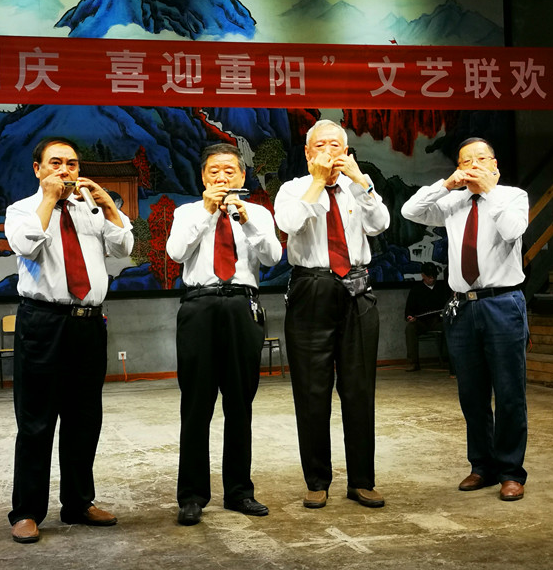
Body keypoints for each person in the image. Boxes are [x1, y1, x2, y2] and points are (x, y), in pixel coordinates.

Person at [4, 136, 134, 543]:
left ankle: (78, 502)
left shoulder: (90, 209)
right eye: (56, 163)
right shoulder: (22, 210)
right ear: (38, 169)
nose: (65, 170)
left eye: (72, 164)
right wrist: (48, 199)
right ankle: (27, 511)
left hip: (88, 323)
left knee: (84, 419)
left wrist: (108, 206)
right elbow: (25, 245)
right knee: (36, 421)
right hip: (43, 322)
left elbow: (124, 248)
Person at [401, 137, 529, 502]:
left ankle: (510, 471)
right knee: (471, 395)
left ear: (494, 165)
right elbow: (410, 210)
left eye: (480, 159)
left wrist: (489, 192)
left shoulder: (512, 196)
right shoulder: (453, 202)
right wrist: (446, 185)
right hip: (462, 306)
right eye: (465, 161)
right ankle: (481, 466)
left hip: (502, 302)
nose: (473, 165)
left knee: (509, 393)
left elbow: (513, 231)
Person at [274, 119, 390, 509]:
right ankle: (317, 480)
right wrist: (318, 182)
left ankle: (362, 480)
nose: (329, 152)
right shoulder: (293, 188)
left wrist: (361, 181)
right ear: (308, 153)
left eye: (336, 146)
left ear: (347, 151)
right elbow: (289, 224)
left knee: (359, 388)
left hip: (357, 288)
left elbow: (381, 224)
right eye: (321, 145)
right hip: (312, 287)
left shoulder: (358, 185)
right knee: (312, 390)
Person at [166, 143, 282, 526]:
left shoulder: (258, 213)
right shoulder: (187, 212)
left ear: (242, 175)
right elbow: (176, 252)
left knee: (239, 404)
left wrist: (245, 219)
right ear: (203, 177)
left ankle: (239, 491)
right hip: (198, 306)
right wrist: (207, 212)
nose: (221, 177)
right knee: (195, 406)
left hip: (241, 306)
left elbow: (272, 257)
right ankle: (191, 495)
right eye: (214, 171)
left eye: (229, 170)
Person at [404, 261, 452, 372]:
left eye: (434, 276)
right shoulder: (416, 290)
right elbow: (408, 310)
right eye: (429, 277)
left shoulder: (442, 288)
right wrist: (410, 317)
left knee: (450, 327)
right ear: (423, 276)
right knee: (410, 329)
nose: (432, 279)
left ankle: (452, 362)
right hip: (422, 322)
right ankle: (413, 363)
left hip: (438, 321)